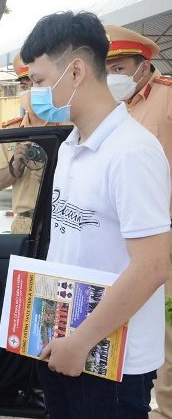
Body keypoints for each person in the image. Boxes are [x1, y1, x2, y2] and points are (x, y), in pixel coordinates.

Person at [20, 11, 170, 418]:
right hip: (67, 347)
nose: (32, 95)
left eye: (38, 81)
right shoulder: (71, 145)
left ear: (76, 71)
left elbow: (154, 264)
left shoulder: (131, 151)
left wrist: (82, 340)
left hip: (112, 365)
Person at [103, 24, 172, 419]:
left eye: (120, 66)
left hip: (162, 234)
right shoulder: (110, 111)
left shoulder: (165, 98)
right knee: (125, 324)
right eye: (107, 66)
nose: (113, 76)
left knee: (167, 333)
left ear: (143, 66)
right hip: (122, 241)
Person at [0, 54, 49, 233]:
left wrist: (51, 177)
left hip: (56, 220)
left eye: (36, 84)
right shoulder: (12, 131)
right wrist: (15, 168)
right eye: (25, 86)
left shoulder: (68, 127)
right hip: (24, 223)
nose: (30, 91)